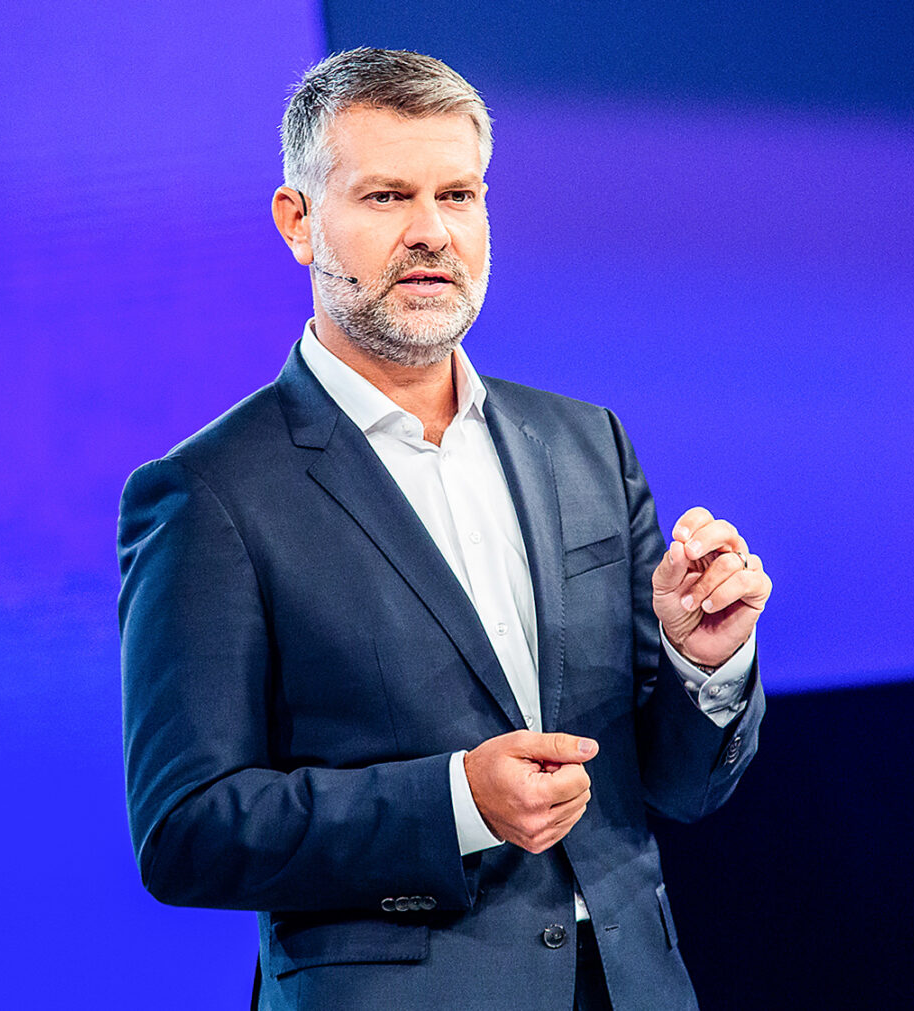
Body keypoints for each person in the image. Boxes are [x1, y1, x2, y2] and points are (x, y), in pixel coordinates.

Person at [118, 48, 771, 1011]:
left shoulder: (584, 441)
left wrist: (701, 665)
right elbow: (187, 830)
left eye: (458, 194)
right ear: (298, 223)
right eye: (386, 198)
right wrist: (456, 801)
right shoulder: (207, 493)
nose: (433, 233)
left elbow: (678, 784)